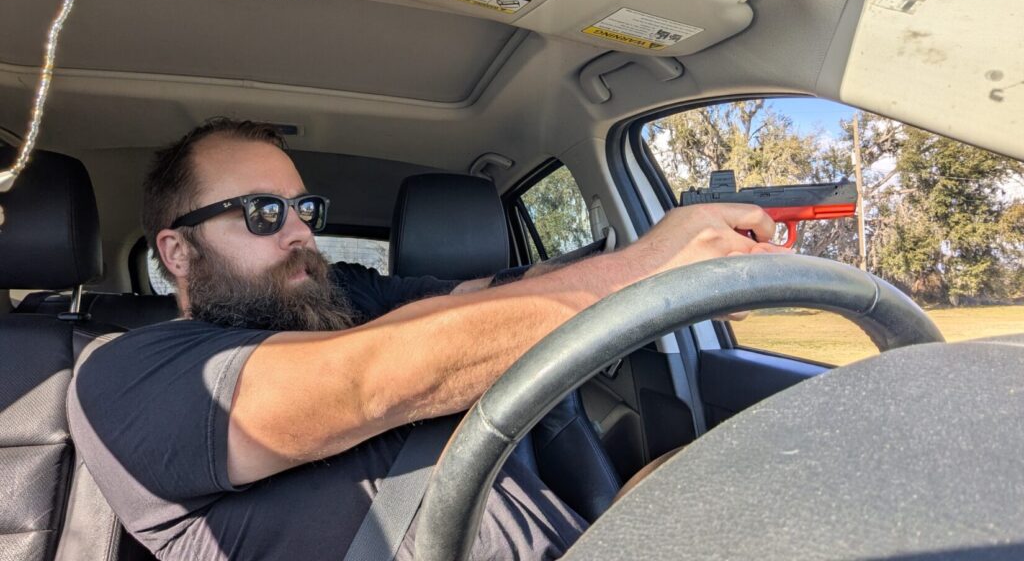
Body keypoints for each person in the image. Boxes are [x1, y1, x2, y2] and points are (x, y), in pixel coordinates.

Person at [68, 119, 787, 560]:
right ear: (176, 251)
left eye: (303, 208)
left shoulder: (345, 297)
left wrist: (680, 253)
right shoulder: (124, 378)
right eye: (261, 213)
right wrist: (641, 271)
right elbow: (369, 379)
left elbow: (486, 299)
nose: (299, 232)